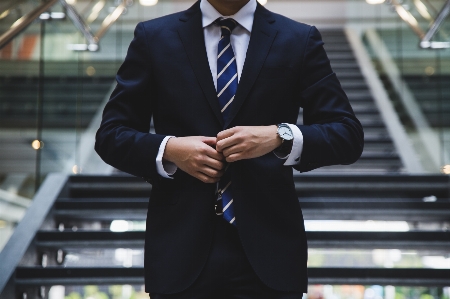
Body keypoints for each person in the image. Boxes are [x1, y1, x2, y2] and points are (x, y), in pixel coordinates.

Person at [95, 0, 364, 297]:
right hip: (179, 251)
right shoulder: (154, 36)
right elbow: (110, 135)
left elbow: (347, 134)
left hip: (271, 254)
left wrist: (280, 135)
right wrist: (170, 149)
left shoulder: (298, 38)